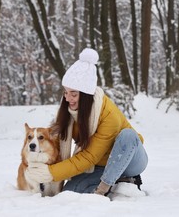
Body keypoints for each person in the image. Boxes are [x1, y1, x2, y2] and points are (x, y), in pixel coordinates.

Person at [25, 48, 148, 197]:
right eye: (65, 92)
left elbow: (89, 156)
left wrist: (52, 173)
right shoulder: (70, 111)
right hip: (100, 166)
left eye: (73, 94)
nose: (67, 98)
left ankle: (106, 186)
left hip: (130, 159)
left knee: (127, 135)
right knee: (69, 192)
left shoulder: (109, 114)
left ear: (86, 96)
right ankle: (119, 181)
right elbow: (54, 143)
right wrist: (41, 166)